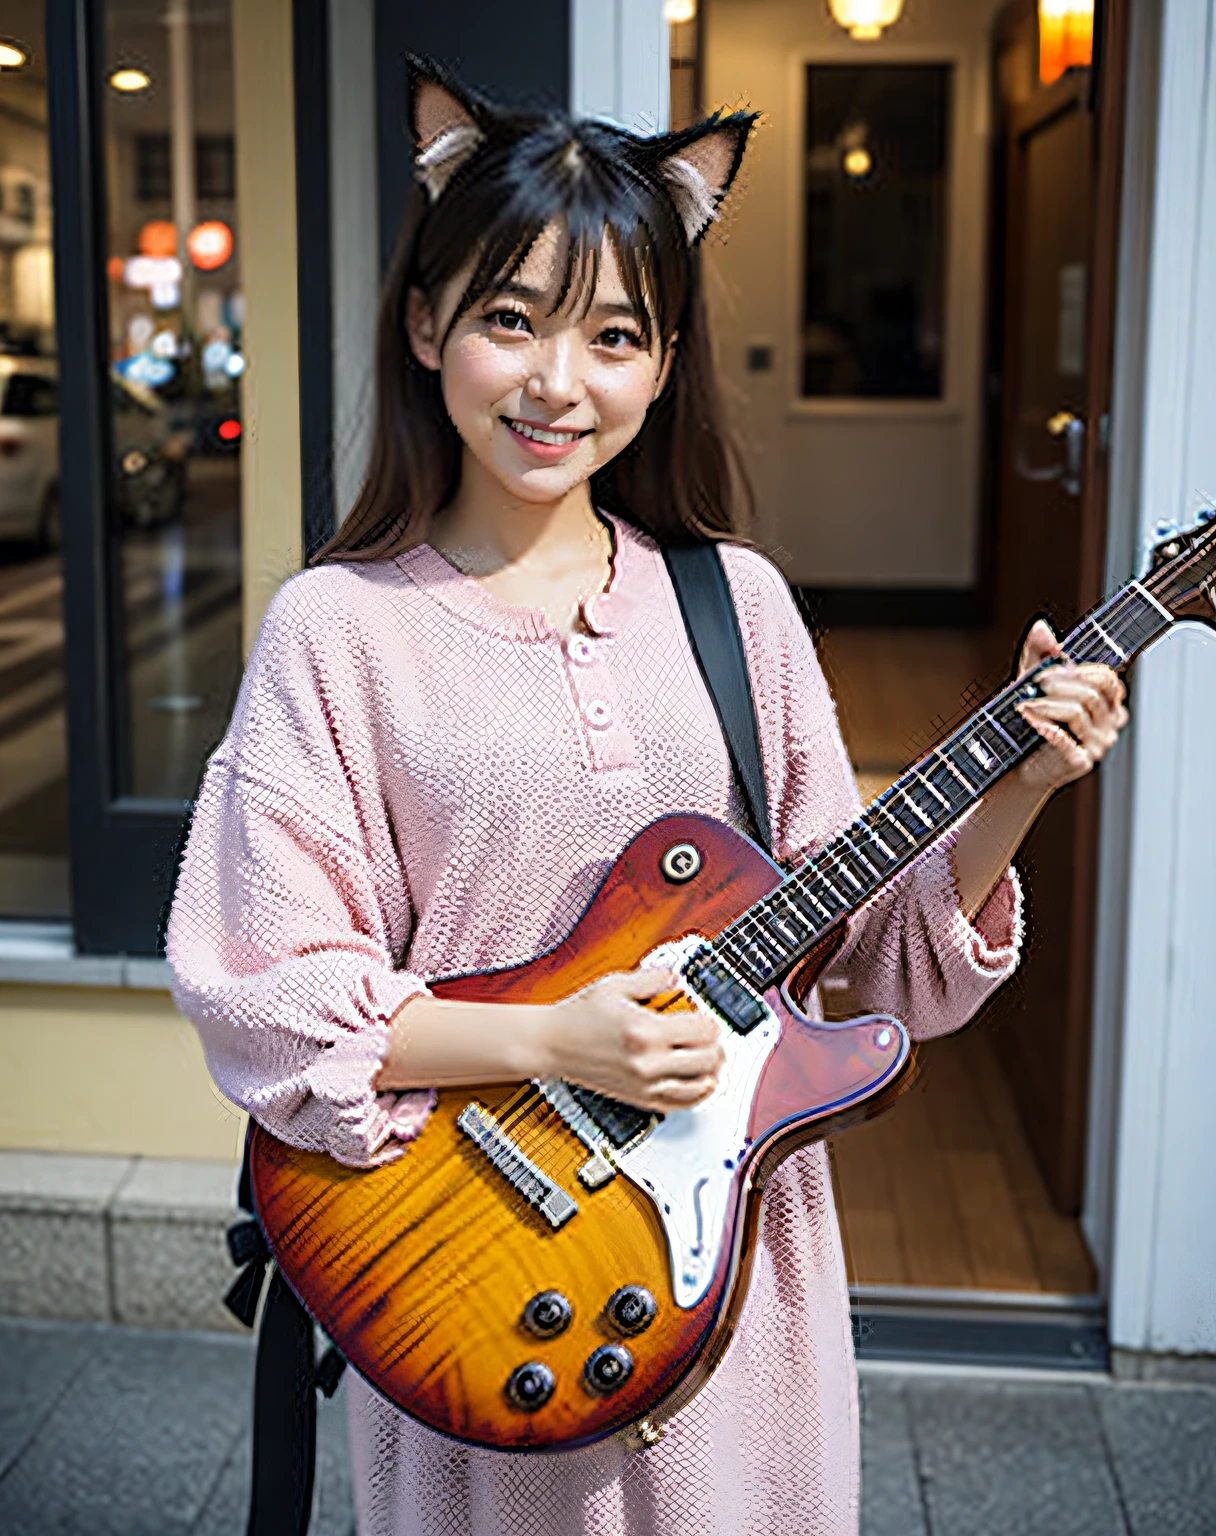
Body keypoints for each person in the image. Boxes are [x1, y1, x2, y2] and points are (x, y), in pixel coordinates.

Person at [167, 60, 1129, 1536]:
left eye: (615, 335)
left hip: (727, 1268)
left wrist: (1018, 790)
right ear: (427, 325)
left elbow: (864, 962)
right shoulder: (336, 629)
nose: (560, 382)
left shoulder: (736, 606)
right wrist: (559, 1037)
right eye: (512, 319)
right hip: (484, 1261)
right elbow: (270, 990)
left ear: (665, 361)